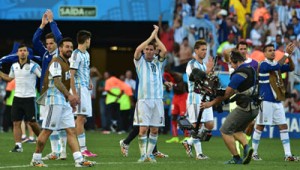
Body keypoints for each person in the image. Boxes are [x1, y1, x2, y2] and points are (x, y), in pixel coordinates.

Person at [30, 37, 95, 167]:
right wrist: (70, 96)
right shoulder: (56, 62)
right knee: (47, 130)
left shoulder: (66, 63)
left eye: (71, 47)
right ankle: (36, 159)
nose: (69, 49)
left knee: (71, 131)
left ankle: (79, 160)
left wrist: (69, 98)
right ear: (60, 48)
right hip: (54, 100)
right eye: (66, 47)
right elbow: (57, 81)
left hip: (63, 101)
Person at [200, 50, 258, 164]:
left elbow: (227, 93)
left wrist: (211, 103)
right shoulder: (251, 69)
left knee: (225, 130)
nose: (231, 65)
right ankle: (247, 148)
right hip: (255, 107)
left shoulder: (238, 75)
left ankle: (236, 158)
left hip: (245, 107)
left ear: (236, 62)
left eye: (231, 63)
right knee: (236, 130)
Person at [252, 43, 298, 161]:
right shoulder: (263, 65)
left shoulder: (276, 65)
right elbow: (277, 66)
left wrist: (290, 57)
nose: (272, 52)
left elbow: (291, 68)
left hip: (277, 101)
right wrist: (286, 53)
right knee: (260, 126)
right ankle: (254, 152)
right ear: (264, 53)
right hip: (265, 100)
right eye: (269, 50)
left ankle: (288, 155)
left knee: (283, 126)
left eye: (273, 50)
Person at [133, 24, 167, 163]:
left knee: (154, 130)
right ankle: (142, 155)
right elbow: (137, 50)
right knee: (143, 129)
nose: (147, 51)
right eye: (146, 49)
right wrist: (151, 37)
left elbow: (164, 50)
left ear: (154, 51)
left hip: (158, 100)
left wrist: (156, 36)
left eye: (151, 49)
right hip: (143, 100)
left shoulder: (158, 62)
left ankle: (149, 155)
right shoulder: (139, 61)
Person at [0, 44, 41, 152]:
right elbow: (9, 78)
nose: (22, 52)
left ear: (28, 53)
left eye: (24, 50)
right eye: (20, 50)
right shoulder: (14, 66)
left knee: (32, 122)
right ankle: (18, 146)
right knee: (16, 122)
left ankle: (42, 138)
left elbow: (42, 76)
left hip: (30, 98)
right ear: (17, 53)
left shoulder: (34, 65)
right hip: (17, 98)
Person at [182, 40, 214, 160]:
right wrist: (207, 71)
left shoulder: (204, 65)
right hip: (195, 97)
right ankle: (199, 154)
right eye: (202, 49)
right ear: (196, 50)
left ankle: (189, 142)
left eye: (205, 49)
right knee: (197, 126)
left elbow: (206, 80)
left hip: (205, 97)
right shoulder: (191, 64)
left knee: (210, 124)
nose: (204, 52)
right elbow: (196, 78)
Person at [69, 30, 97, 157]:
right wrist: (74, 94)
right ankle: (82, 149)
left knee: (83, 118)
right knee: (80, 119)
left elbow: (85, 70)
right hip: (79, 88)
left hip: (85, 87)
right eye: (90, 39)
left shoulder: (86, 54)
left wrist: (90, 80)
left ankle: (80, 147)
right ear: (87, 40)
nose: (90, 42)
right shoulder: (76, 55)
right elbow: (72, 74)